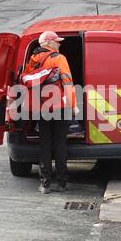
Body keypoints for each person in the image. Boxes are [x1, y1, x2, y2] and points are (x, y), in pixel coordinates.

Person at [24, 31, 78, 194]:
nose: (59, 44)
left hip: (41, 107)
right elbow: (67, 82)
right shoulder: (59, 58)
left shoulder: (32, 61)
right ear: (48, 43)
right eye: (57, 41)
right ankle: (62, 183)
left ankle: (45, 183)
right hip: (59, 107)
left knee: (45, 144)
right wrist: (73, 105)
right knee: (60, 144)